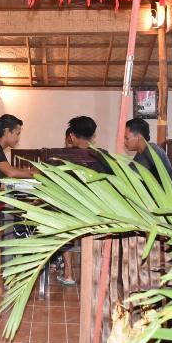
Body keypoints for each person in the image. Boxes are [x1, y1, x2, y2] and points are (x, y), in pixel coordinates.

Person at [56, 116, 103, 285]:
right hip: (97, 213)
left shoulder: (61, 157)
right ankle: (96, 273)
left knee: (60, 217)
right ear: (93, 136)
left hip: (69, 214)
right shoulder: (103, 157)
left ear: (72, 136)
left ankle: (68, 273)